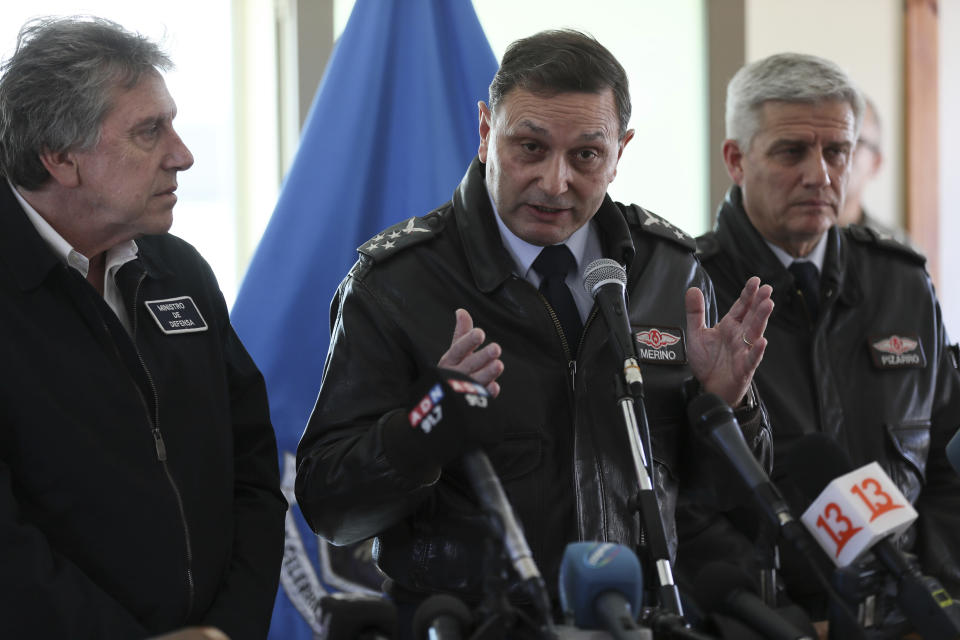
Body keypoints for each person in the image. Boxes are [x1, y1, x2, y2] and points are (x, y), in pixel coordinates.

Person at [295, 29, 773, 631]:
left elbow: (730, 503)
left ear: (620, 152)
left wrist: (723, 407)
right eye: (529, 147)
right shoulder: (396, 283)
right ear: (484, 132)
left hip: (634, 619)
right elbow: (329, 507)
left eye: (586, 156)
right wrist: (425, 424)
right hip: (473, 625)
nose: (554, 183)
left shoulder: (667, 269)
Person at [0, 16, 286, 639]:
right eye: (149, 132)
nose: (182, 155)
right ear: (60, 157)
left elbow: (256, 472)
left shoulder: (178, 270)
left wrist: (227, 630)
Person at [685, 52, 960, 631]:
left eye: (838, 151)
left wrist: (933, 592)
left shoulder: (901, 281)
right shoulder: (686, 289)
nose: (822, 175)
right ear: (736, 159)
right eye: (792, 152)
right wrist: (775, 614)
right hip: (767, 621)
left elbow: (944, 465)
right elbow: (674, 496)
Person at [838, 95, 910, 243]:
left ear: (876, 163)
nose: (838, 153)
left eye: (853, 141)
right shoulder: (785, 239)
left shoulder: (898, 249)